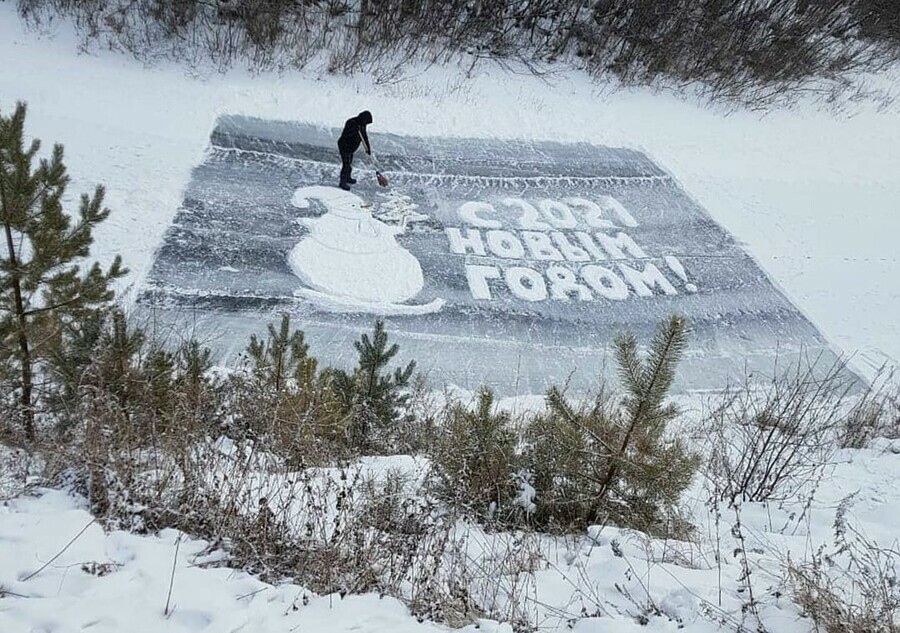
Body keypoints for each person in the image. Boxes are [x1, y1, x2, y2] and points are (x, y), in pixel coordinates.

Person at [337, 110, 373, 190]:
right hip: (344, 146)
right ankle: (342, 182)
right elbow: (346, 135)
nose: (366, 124)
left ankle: (348, 177)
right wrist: (354, 130)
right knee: (346, 164)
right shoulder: (351, 122)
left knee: (350, 163)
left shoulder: (362, 125)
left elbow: (364, 136)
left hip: (352, 148)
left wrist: (368, 148)